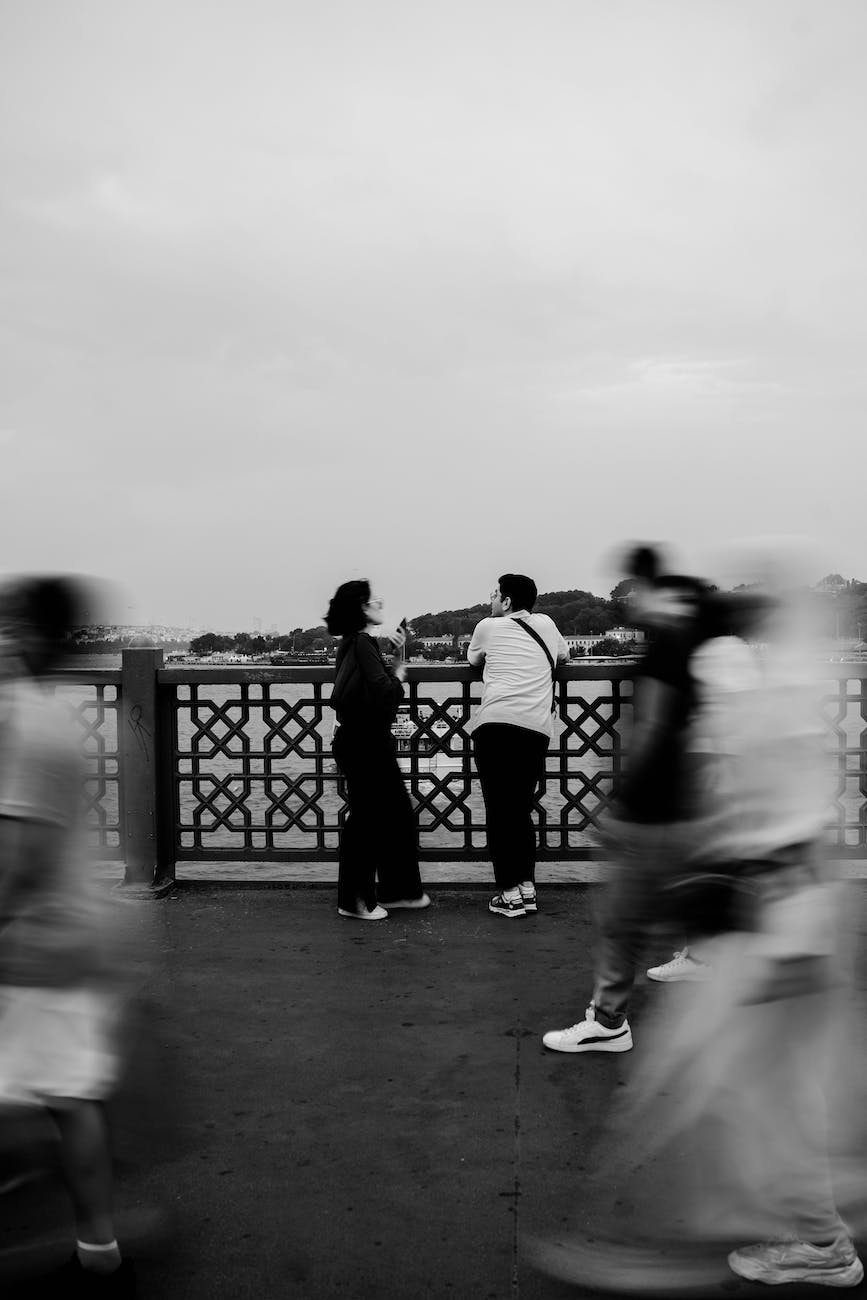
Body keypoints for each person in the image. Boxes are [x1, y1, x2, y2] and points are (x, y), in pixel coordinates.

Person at [530, 578, 867, 1291]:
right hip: (785, 917)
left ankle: (817, 1239)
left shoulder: (747, 704)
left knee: (753, 1091)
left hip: (778, 924)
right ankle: (812, 1225)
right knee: (765, 1086)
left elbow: (756, 829)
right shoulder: (778, 699)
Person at [0, 577, 135, 1296]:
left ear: (32, 633)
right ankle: (98, 1247)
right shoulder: (51, 713)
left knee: (66, 1097)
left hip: (39, 941)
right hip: (75, 932)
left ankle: (100, 1254)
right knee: (67, 1093)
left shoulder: (25, 722)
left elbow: (17, 859)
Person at [542, 569, 712, 1050]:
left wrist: (622, 806)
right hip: (686, 805)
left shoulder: (667, 653)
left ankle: (610, 1021)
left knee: (622, 921)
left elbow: (653, 734)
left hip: (656, 811)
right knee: (679, 894)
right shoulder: (697, 651)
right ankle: (700, 957)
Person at [326, 580, 429, 920]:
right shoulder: (362, 642)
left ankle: (401, 892)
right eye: (373, 601)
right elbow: (384, 691)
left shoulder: (355, 643)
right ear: (362, 609)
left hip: (362, 740)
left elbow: (368, 686)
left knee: (394, 813)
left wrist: (392, 658)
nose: (379, 603)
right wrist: (399, 674)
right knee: (368, 820)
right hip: (364, 742)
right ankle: (355, 900)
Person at [467, 574, 568, 918]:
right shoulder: (547, 624)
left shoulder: (487, 627)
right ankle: (527, 889)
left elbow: (473, 661)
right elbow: (563, 656)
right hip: (535, 729)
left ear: (506, 601)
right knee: (520, 809)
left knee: (499, 811)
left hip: (495, 725)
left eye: (495, 594)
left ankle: (509, 894)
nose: (491, 599)